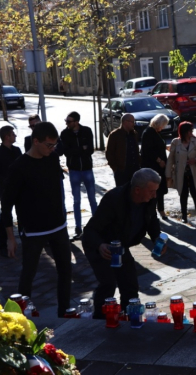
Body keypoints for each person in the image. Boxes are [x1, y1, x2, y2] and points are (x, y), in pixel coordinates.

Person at [2, 122, 71, 317]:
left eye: (54, 145)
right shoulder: (19, 167)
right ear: (35, 141)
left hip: (59, 226)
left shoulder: (52, 158)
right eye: (49, 145)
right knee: (28, 274)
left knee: (65, 271)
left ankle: (64, 312)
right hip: (33, 230)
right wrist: (11, 237)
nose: (52, 149)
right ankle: (21, 318)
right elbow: (6, 205)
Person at [82, 168, 167, 319]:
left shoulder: (149, 198)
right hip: (101, 245)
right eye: (151, 191)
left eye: (156, 191)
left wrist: (157, 238)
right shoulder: (113, 199)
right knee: (108, 284)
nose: (155, 195)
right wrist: (100, 245)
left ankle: (129, 318)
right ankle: (100, 322)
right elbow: (89, 231)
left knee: (130, 284)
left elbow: (152, 219)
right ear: (137, 190)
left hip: (120, 245)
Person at [60, 111, 98, 240]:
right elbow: (67, 152)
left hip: (87, 169)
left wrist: (79, 150)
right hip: (74, 170)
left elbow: (91, 149)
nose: (67, 123)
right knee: (76, 200)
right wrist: (82, 149)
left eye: (69, 121)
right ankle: (78, 227)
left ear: (76, 122)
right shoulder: (65, 134)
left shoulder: (86, 131)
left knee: (92, 199)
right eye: (66, 121)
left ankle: (97, 226)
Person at [166, 122, 196, 224]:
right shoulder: (176, 142)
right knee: (183, 195)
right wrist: (168, 175)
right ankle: (184, 216)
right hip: (181, 173)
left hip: (193, 173)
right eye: (190, 131)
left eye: (192, 130)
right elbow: (170, 159)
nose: (191, 132)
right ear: (184, 132)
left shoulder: (195, 141)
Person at [140, 114, 169, 219]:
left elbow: (158, 145)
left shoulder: (157, 132)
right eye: (163, 125)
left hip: (159, 167)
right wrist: (159, 160)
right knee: (154, 190)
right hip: (152, 166)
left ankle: (161, 210)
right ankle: (152, 211)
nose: (164, 127)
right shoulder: (148, 132)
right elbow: (148, 150)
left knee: (160, 189)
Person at [0, 126, 22, 257]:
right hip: (5, 188)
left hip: (19, 188)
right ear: (7, 137)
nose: (15, 136)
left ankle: (25, 236)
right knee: (6, 214)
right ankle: (4, 242)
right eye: (13, 134)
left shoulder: (17, 150)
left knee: (22, 212)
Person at [106, 114, 141, 187]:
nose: (133, 124)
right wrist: (115, 168)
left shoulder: (134, 134)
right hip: (122, 171)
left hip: (135, 170)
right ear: (125, 122)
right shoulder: (115, 135)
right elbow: (109, 153)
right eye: (132, 122)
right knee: (122, 193)